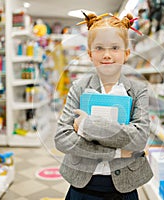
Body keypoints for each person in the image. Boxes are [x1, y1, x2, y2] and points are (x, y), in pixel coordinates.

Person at [54, 12, 153, 200]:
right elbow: (62, 139)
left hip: (124, 187)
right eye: (99, 48)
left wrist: (86, 126)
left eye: (115, 48)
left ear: (126, 53)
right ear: (90, 54)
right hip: (83, 186)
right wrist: (116, 151)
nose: (107, 55)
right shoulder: (79, 88)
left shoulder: (138, 90)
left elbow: (139, 139)